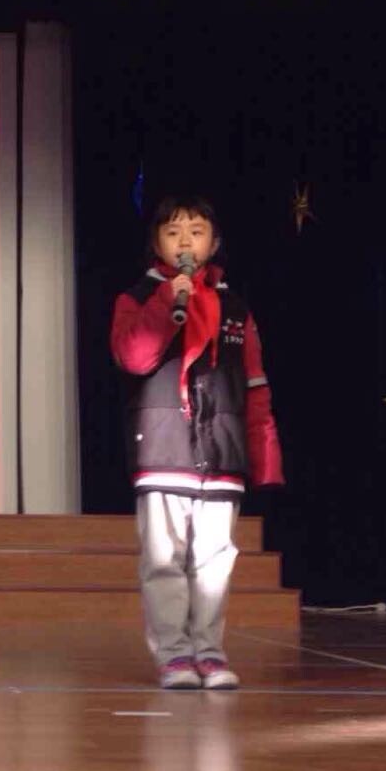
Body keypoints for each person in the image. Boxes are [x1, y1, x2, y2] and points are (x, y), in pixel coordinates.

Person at [110, 195, 282, 690]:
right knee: (164, 560)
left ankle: (209, 652)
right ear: (156, 243)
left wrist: (264, 452)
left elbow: (255, 383)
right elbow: (134, 357)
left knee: (214, 561)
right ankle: (174, 656)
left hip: (222, 449)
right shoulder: (138, 297)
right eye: (173, 232)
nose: (185, 241)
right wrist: (169, 301)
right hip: (163, 448)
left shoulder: (236, 307)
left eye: (196, 231)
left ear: (214, 241)